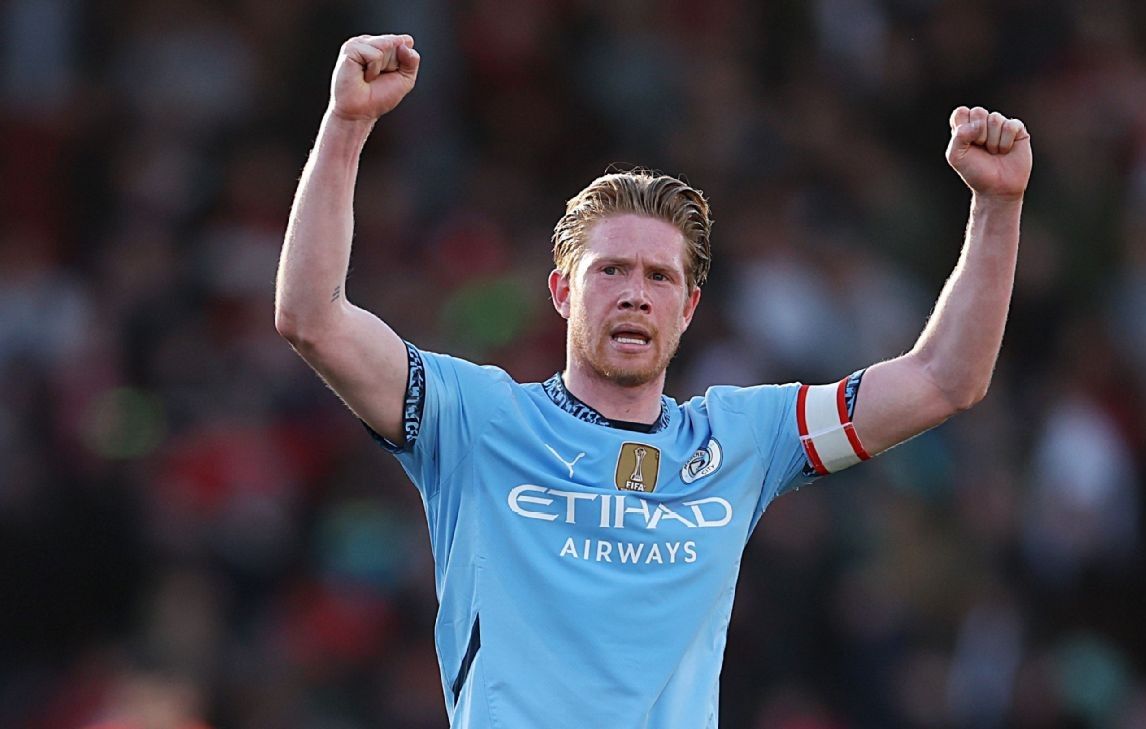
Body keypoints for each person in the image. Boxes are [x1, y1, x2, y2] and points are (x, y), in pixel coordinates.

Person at [274, 33, 1031, 729]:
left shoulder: (745, 439)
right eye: (610, 270)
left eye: (659, 276)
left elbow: (944, 379)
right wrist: (347, 124)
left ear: (689, 306)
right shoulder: (476, 418)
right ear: (562, 292)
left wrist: (997, 208)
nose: (635, 294)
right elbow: (312, 317)